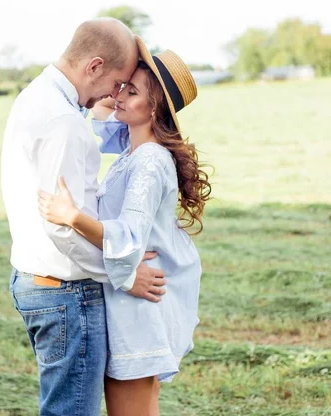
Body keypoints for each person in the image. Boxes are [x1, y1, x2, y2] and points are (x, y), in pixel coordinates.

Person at [38, 37, 211, 416]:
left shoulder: (148, 160)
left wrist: (73, 217)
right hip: (133, 301)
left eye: (131, 91)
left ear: (153, 108)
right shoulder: (135, 151)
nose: (118, 95)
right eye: (121, 86)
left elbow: (130, 236)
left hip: (138, 307)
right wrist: (109, 97)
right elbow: (101, 130)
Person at [1, 20, 166, 416]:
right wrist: (124, 274)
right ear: (93, 66)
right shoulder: (64, 123)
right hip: (65, 292)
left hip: (37, 281)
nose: (115, 94)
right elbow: (63, 226)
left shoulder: (37, 97)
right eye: (116, 82)